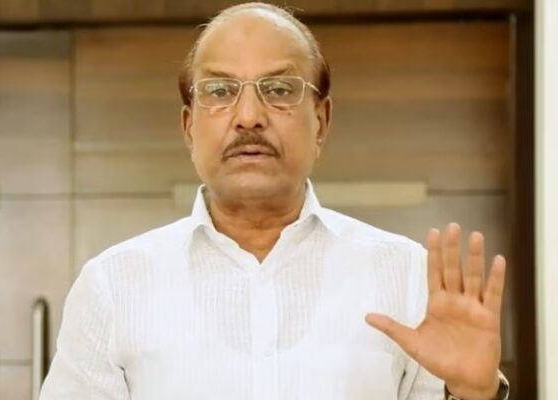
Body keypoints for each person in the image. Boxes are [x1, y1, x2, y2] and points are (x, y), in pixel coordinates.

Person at [39, 2, 510, 399]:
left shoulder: (406, 276)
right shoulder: (114, 287)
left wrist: (474, 394)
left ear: (321, 122)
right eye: (220, 91)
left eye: (280, 89)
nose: (248, 116)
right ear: (188, 127)